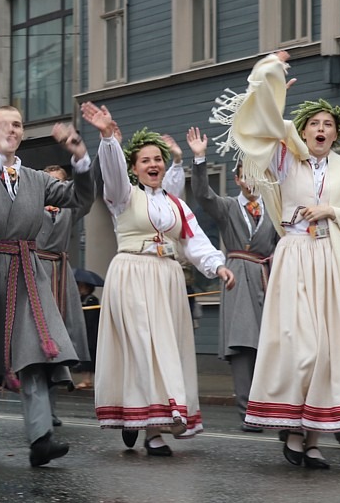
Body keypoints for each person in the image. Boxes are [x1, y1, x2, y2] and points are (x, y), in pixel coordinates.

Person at [215, 51, 340, 469]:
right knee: (297, 345)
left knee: (326, 348)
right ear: (302, 131)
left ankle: (315, 436)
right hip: (295, 255)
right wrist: (272, 78)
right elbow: (260, 126)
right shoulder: (286, 159)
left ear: (337, 134)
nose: (321, 130)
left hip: (332, 261)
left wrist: (332, 212)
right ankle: (290, 428)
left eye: (329, 125)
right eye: (314, 124)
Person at [0, 107, 94, 467]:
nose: (12, 129)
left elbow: (80, 198)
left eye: (18, 124)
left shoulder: (38, 180)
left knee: (35, 355)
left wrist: (81, 157)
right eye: (4, 124)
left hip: (27, 270)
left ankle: (41, 439)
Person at [80, 102, 235, 457]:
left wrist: (218, 266)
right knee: (141, 348)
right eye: (145, 160)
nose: (153, 165)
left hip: (167, 279)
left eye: (157, 159)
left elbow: (195, 241)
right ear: (135, 168)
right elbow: (114, 174)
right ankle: (147, 425)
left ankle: (149, 420)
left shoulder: (175, 205)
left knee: (166, 349)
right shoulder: (123, 196)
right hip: (132, 274)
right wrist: (107, 138)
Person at [185, 127, 278, 433]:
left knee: (269, 345)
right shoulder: (227, 207)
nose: (251, 180)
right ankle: (247, 411)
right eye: (245, 175)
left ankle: (268, 407)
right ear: (237, 179)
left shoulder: (274, 210)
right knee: (241, 345)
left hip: (267, 278)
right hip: (237, 277)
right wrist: (199, 158)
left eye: (257, 174)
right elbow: (202, 194)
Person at [37, 158, 93, 426]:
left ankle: (50, 406)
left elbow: (89, 196)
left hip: (60, 275)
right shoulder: (31, 208)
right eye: (49, 183)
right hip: (36, 274)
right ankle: (38, 408)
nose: (55, 188)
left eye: (60, 182)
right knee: (36, 344)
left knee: (57, 345)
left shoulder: (70, 209)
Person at [72, 268, 103, 389]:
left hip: (90, 333)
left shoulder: (91, 300)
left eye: (82, 286)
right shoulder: (79, 299)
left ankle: (87, 379)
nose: (79, 288)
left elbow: (91, 319)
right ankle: (85, 379)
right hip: (81, 332)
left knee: (89, 356)